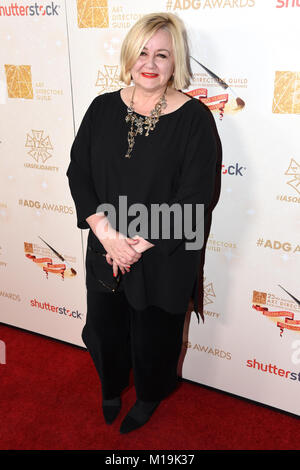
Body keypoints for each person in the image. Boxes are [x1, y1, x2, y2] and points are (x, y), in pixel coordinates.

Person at [66, 12, 218, 434]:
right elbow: (79, 173)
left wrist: (135, 245)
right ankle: (111, 386)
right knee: (105, 327)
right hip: (105, 243)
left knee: (155, 337)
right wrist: (106, 234)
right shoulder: (101, 108)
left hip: (162, 253)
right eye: (143, 52)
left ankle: (149, 396)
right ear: (129, 56)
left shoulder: (195, 120)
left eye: (162, 55)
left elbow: (195, 198)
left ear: (176, 63)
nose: (150, 63)